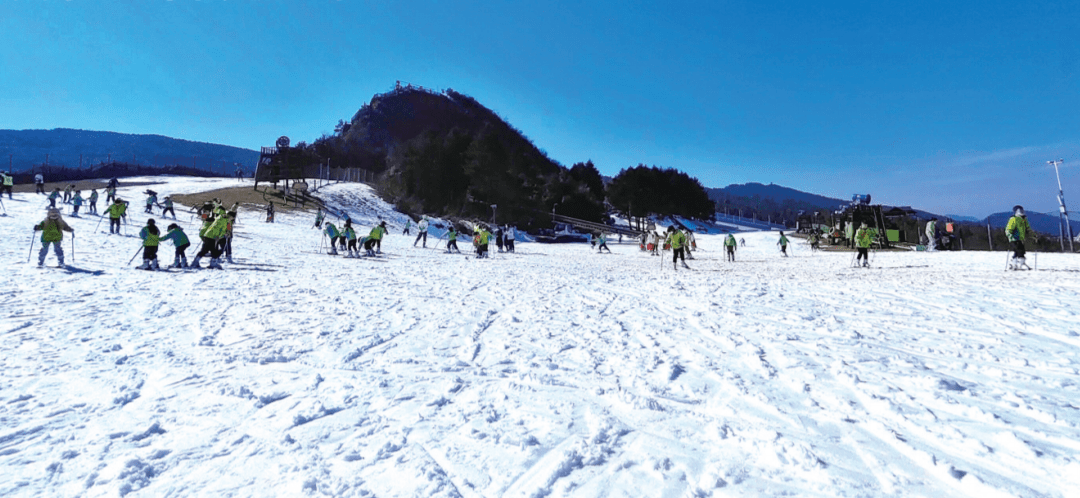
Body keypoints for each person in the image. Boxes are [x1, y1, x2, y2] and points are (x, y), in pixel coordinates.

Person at [1006, 205, 1037, 270]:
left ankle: (1015, 263)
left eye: (1022, 210)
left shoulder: (1024, 219)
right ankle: (1018, 263)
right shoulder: (1013, 219)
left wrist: (1033, 235)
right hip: (1014, 238)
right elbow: (1008, 229)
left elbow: (1028, 229)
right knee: (1020, 250)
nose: (1022, 212)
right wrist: (1010, 237)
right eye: (1020, 210)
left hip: (1021, 239)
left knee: (1018, 251)